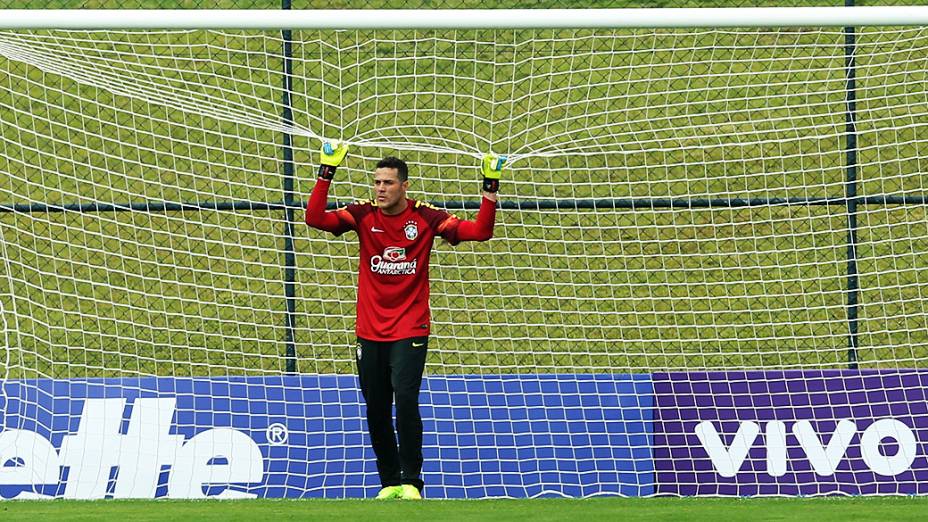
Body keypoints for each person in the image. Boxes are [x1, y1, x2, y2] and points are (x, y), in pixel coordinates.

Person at [305, 142, 504, 500]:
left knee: (406, 400)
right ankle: (389, 483)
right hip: (369, 329)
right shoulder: (364, 214)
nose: (380, 189)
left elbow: (480, 232)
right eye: (377, 182)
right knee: (376, 406)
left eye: (388, 183)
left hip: (410, 327)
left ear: (404, 186)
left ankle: (412, 482)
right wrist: (326, 171)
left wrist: (490, 187)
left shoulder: (425, 218)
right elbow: (315, 219)